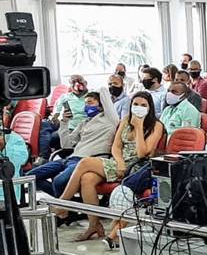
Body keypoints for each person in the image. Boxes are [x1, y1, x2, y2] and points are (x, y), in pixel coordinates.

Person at [53, 91, 161, 242]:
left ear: (150, 108)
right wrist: (120, 162)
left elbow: (143, 153)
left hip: (137, 167)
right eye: (135, 104)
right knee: (87, 178)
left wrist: (138, 128)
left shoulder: (156, 125)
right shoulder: (125, 120)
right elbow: (116, 147)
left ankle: (62, 203)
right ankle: (94, 224)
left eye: (143, 105)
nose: (138, 107)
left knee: (85, 162)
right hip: (119, 162)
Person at [30, 87, 119, 196]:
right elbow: (66, 145)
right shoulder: (84, 123)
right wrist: (64, 123)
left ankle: (63, 206)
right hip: (70, 158)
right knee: (31, 176)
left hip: (87, 160)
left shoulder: (109, 120)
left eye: (90, 103)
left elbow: (104, 92)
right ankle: (66, 204)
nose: (86, 106)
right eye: (85, 104)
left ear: (101, 105)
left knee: (59, 181)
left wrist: (94, 89)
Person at [46, 75, 89, 153]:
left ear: (85, 83)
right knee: (50, 134)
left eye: (80, 81)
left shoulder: (91, 96)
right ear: (71, 86)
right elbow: (56, 114)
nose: (77, 84)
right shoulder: (64, 97)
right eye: (73, 83)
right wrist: (57, 119)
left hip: (86, 128)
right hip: (68, 128)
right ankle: (45, 157)